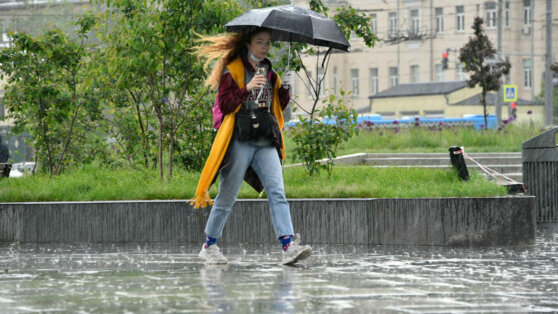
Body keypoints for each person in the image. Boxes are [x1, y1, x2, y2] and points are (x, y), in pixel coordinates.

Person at [191, 28, 312, 265]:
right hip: (240, 138)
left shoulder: (270, 72)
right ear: (248, 43)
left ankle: (288, 246)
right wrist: (246, 88)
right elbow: (225, 104)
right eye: (260, 42)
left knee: (277, 191)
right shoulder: (233, 69)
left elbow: (276, 103)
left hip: (265, 139)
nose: (265, 47)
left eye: (267, 43)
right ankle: (209, 245)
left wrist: (284, 88)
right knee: (227, 196)